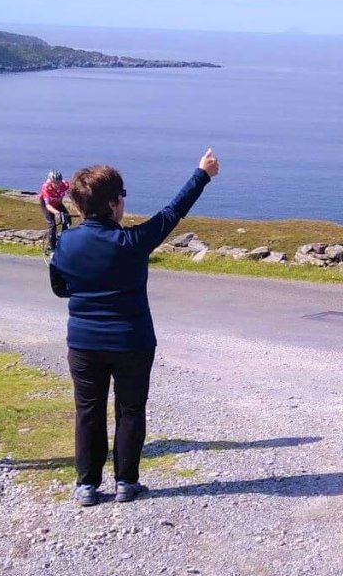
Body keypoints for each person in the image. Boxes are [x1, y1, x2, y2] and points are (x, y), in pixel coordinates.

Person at [50, 148, 220, 505]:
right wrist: (201, 174)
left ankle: (87, 486)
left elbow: (60, 288)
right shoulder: (132, 242)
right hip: (132, 341)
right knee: (130, 410)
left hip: (83, 343)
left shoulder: (65, 242)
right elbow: (173, 212)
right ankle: (126, 482)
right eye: (122, 197)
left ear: (81, 207)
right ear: (113, 204)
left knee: (88, 410)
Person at [40, 170, 72, 249]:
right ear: (51, 182)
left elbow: (72, 195)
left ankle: (62, 238)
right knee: (52, 225)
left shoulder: (65, 184)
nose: (58, 184)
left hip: (58, 203)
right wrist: (56, 212)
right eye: (56, 183)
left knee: (68, 220)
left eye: (59, 182)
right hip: (47, 205)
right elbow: (47, 206)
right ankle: (53, 249)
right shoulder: (46, 187)